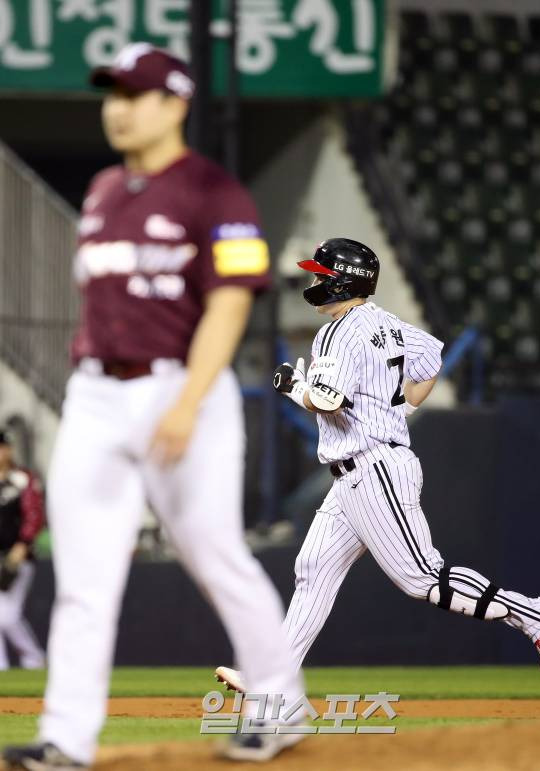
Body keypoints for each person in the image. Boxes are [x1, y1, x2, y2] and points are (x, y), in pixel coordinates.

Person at [3, 43, 303, 769]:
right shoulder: (105, 190)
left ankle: (279, 704)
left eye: (134, 95)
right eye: (111, 95)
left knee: (215, 555)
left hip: (181, 387)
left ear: (175, 104)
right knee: (83, 576)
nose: (117, 108)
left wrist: (189, 401)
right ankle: (67, 738)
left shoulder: (213, 192)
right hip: (97, 395)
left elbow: (229, 304)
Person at [215, 237, 540, 694]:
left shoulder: (338, 331)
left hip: (373, 467)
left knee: (422, 578)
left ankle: (534, 614)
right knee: (313, 567)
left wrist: (291, 386)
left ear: (345, 280)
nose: (315, 280)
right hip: (355, 473)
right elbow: (429, 357)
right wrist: (398, 403)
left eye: (322, 274)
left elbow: (328, 399)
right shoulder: (388, 324)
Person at [0, 428, 45, 671]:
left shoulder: (23, 479)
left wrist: (23, 544)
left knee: (6, 615)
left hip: (17, 557)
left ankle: (34, 658)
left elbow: (35, 515)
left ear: (9, 450)